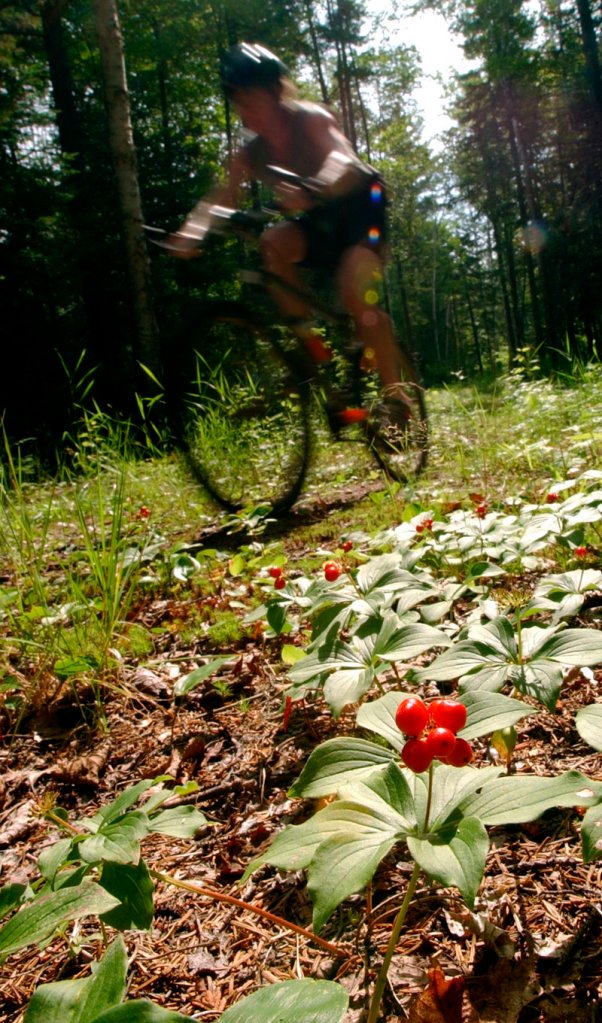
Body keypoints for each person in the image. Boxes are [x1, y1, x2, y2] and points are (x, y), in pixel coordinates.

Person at [169, 42, 407, 416]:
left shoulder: (310, 119)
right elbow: (222, 195)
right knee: (272, 244)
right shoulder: (250, 150)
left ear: (276, 92)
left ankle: (397, 400)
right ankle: (313, 351)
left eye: (252, 100)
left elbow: (342, 158)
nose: (245, 112)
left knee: (355, 287)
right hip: (319, 217)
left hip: (364, 206)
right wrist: (192, 230)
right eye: (239, 103)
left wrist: (314, 188)